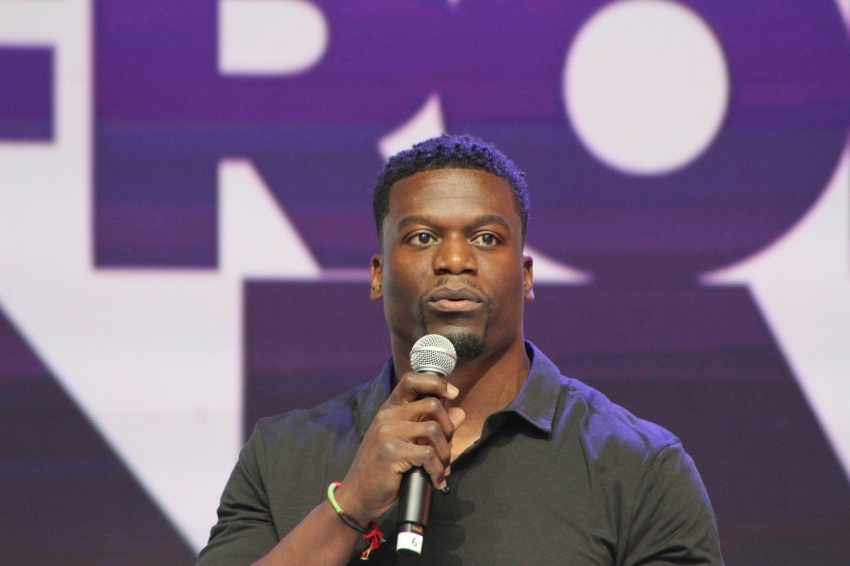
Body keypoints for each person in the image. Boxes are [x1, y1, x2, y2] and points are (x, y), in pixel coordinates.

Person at [197, 134, 724, 565]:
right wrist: (350, 506)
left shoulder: (638, 467)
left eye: (487, 239)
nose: (454, 260)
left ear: (526, 275)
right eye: (423, 237)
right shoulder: (281, 454)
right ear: (377, 275)